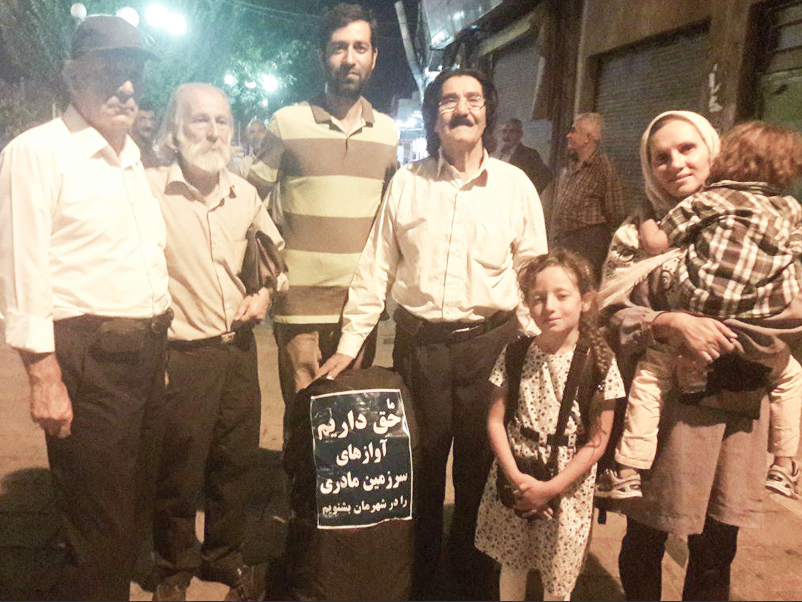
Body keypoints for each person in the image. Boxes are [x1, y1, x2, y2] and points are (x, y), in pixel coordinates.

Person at [318, 67, 548, 599]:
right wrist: (350, 344)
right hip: (419, 350)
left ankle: (468, 584)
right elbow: (376, 267)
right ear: (433, 117)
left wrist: (536, 351)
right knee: (416, 473)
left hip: (490, 348)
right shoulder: (408, 182)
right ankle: (417, 584)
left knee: (479, 477)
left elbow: (532, 272)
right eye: (448, 101)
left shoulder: (515, 186)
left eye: (473, 99)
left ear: (487, 112)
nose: (461, 109)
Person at [0, 16, 171, 600]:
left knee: (130, 515)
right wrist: (42, 377)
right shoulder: (38, 153)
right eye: (109, 71)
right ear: (73, 76)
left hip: (143, 358)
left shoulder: (130, 157)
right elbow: (21, 271)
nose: (126, 86)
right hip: (90, 363)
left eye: (135, 73)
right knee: (97, 528)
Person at [601, 110, 802, 601]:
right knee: (645, 540)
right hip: (663, 417)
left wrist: (754, 334)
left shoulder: (772, 222)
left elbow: (793, 312)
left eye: (687, 148)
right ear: (649, 168)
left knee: (716, 551)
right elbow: (608, 313)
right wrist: (668, 322)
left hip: (737, 412)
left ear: (714, 150)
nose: (675, 163)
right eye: (661, 157)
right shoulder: (636, 232)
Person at [146, 83, 284, 601]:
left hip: (238, 350)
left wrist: (265, 293)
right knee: (178, 468)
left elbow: (274, 259)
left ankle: (224, 555)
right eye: (200, 120)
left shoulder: (244, 194)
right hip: (182, 355)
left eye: (222, 121)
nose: (213, 132)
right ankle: (173, 565)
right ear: (175, 129)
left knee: (236, 462)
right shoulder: (149, 191)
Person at [247, 3, 398, 436]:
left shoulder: (387, 133)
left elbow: (392, 217)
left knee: (353, 420)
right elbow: (249, 203)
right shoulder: (287, 123)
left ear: (374, 57)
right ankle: (299, 481)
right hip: (299, 305)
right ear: (322, 56)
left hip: (359, 307)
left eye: (360, 47)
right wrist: (267, 274)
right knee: (304, 416)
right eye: (338, 48)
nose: (349, 58)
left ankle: (336, 485)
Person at [474, 249, 624, 601]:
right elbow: (495, 420)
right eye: (538, 298)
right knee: (512, 562)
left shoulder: (599, 361)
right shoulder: (515, 353)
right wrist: (516, 477)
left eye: (562, 296)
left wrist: (551, 487)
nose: (549, 307)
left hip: (568, 485)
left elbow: (598, 441)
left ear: (585, 301)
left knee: (558, 574)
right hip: (516, 472)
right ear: (527, 303)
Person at [551, 112, 627, 280]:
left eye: (574, 131)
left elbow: (616, 212)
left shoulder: (603, 167)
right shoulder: (570, 164)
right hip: (565, 241)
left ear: (588, 138)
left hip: (589, 247)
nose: (568, 135)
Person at [495, 117, 553, 194]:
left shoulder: (529, 155)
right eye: (504, 131)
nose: (506, 136)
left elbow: (546, 176)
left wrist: (527, 195)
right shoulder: (496, 154)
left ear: (520, 134)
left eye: (512, 132)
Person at [132, 98, 160, 167]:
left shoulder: (157, 149)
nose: (148, 125)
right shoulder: (127, 149)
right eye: (142, 119)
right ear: (133, 121)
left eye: (152, 119)